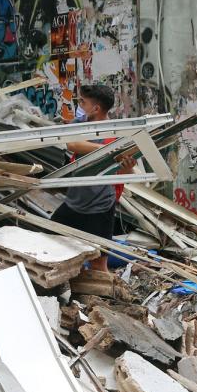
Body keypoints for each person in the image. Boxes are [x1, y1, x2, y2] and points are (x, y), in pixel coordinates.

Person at [53, 84, 136, 272]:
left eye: (83, 102)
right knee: (52, 240)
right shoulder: (79, 124)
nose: (79, 105)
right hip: (74, 200)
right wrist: (107, 152)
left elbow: (125, 174)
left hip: (100, 206)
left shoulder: (116, 135)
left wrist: (126, 165)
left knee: (99, 262)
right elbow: (73, 143)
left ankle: (102, 297)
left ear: (96, 108)